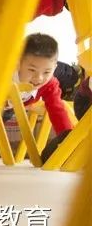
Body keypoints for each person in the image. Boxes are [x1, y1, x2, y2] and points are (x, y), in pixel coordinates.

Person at [13, 34, 74, 164]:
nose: (39, 78)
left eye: (47, 72)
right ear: (18, 63)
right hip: (1, 100)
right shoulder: (4, 74)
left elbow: (57, 110)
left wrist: (66, 140)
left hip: (21, 101)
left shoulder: (50, 84)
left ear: (54, 69)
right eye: (31, 70)